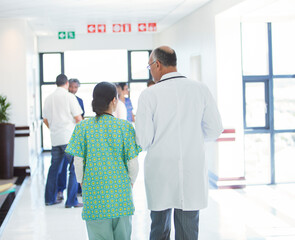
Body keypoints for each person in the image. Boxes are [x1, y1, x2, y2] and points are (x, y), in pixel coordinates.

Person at [135, 46, 223, 240]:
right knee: (188, 230)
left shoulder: (149, 95)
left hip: (160, 170)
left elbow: (142, 140)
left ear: (157, 64)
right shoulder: (200, 89)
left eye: (150, 66)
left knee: (159, 228)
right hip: (191, 169)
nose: (150, 70)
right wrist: (193, 139)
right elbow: (215, 129)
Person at [65, 82, 141, 240]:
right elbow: (133, 163)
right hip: (121, 196)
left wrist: (81, 182)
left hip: (94, 196)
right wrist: (131, 182)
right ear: (114, 101)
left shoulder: (82, 128)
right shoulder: (125, 127)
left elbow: (77, 162)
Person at [43, 74, 83, 208]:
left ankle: (49, 199)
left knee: (54, 169)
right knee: (73, 168)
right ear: (66, 83)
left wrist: (54, 130)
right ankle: (71, 201)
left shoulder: (48, 98)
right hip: (69, 138)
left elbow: (45, 120)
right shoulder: (69, 97)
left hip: (55, 139)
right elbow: (78, 118)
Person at [57, 78, 84, 201]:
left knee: (75, 166)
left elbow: (81, 118)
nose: (73, 89)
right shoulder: (65, 98)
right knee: (64, 167)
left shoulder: (79, 101)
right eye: (71, 87)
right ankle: (62, 191)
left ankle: (77, 190)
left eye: (75, 87)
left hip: (72, 137)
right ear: (67, 86)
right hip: (66, 137)